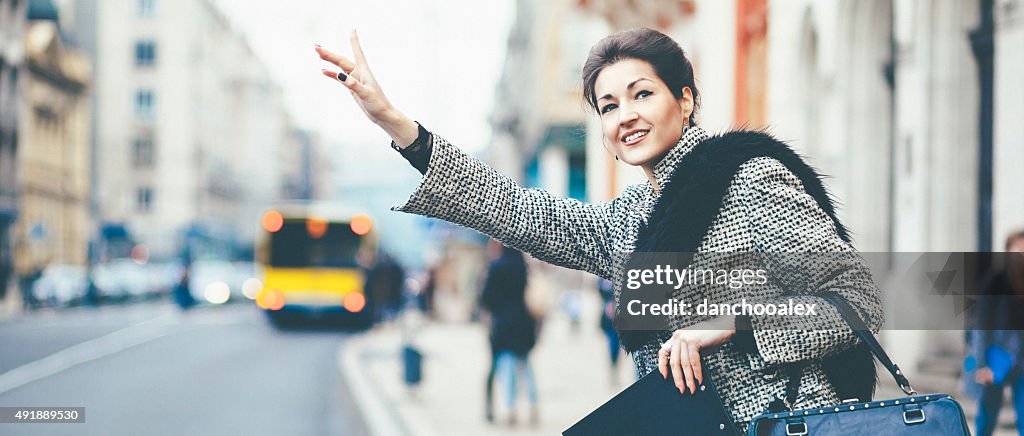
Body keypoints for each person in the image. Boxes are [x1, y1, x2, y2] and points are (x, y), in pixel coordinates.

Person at [315, 27, 883, 432]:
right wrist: (396, 123)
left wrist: (729, 323)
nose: (625, 116)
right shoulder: (624, 218)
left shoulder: (751, 177)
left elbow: (859, 300)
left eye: (642, 94)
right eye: (608, 106)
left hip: (790, 422)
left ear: (685, 101)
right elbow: (512, 208)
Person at [964, 230, 1024, 436]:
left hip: (1021, 361)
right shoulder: (994, 282)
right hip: (994, 359)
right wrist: (981, 364)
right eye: (1018, 251)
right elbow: (980, 327)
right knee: (987, 416)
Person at [479, 240, 538, 426]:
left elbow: (486, 299)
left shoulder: (496, 267)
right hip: (523, 321)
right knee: (525, 366)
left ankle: (511, 408)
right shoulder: (522, 266)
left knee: (508, 366)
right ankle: (533, 406)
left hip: (503, 324)